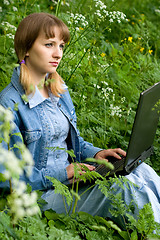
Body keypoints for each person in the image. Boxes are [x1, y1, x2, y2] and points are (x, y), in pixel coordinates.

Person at [0, 12, 160, 226]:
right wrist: (63, 173)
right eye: (49, 45)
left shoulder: (58, 89)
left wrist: (95, 154)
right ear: (27, 48)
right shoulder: (9, 104)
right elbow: (10, 177)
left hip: (72, 182)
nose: (58, 54)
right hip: (40, 197)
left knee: (141, 170)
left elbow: (69, 142)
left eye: (62, 46)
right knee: (124, 189)